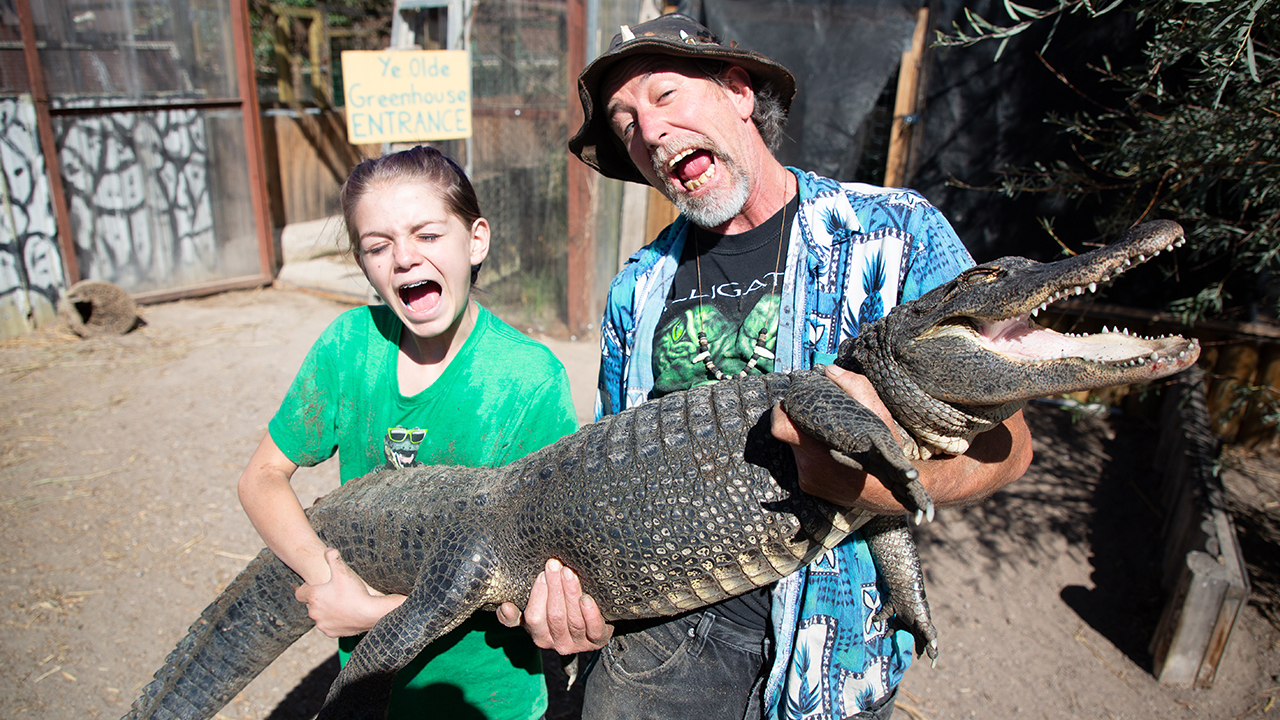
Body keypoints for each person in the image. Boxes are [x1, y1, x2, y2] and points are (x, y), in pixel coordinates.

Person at [496, 14, 1033, 720]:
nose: (648, 134)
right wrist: (577, 599)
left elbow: (1010, 447)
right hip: (661, 646)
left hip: (832, 650)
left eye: (664, 97)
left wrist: (878, 485)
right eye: (625, 122)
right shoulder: (638, 285)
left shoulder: (896, 234)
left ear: (740, 92)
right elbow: (608, 464)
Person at [237, 145, 578, 720]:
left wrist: (375, 612)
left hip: (487, 700)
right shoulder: (348, 346)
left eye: (426, 235)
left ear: (475, 241)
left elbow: (536, 577)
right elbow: (261, 478)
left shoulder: (529, 381)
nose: (402, 258)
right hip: (370, 689)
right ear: (363, 262)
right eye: (378, 245)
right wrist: (331, 582)